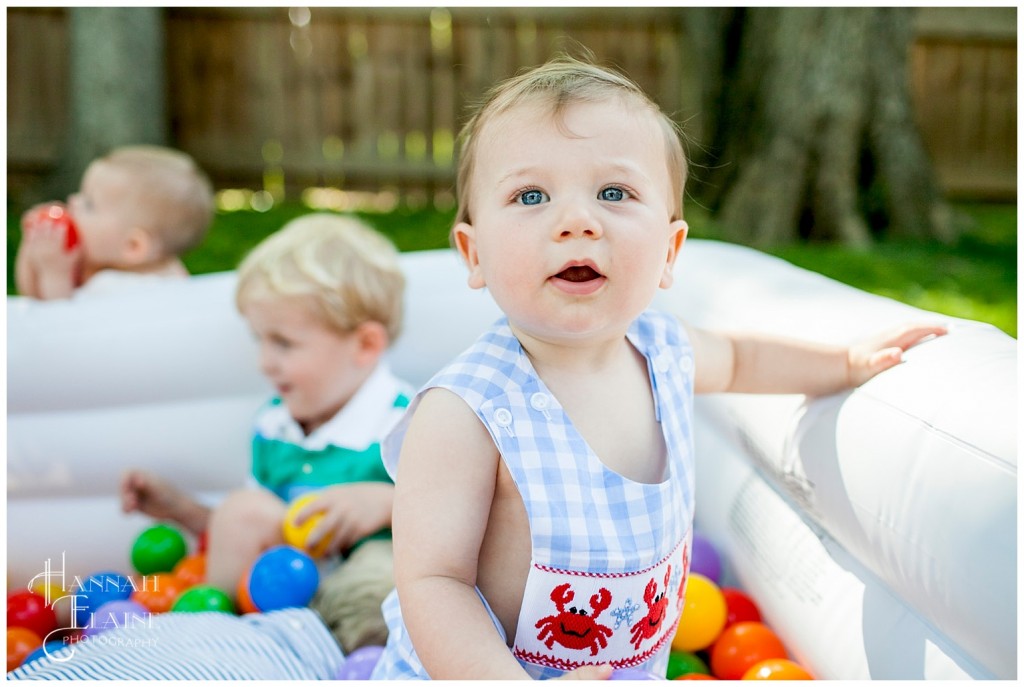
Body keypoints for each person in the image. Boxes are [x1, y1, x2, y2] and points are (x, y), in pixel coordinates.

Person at [372, 56, 947, 680]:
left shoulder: (665, 351)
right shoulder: (467, 411)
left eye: (614, 193)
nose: (577, 221)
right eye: (530, 195)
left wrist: (846, 362)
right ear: (474, 252)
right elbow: (434, 583)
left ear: (670, 252)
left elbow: (746, 359)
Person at [120, 213, 412, 653]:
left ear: (365, 345)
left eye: (283, 343)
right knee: (242, 510)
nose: (263, 362)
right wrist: (180, 510)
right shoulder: (275, 424)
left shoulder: (409, 422)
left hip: (365, 589)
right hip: (278, 597)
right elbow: (251, 525)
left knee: (379, 593)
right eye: (258, 339)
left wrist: (387, 502)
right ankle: (215, 643)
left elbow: (465, 522)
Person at [14, 145, 214, 300]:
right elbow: (31, 291)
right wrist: (33, 246)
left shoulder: (117, 289)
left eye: (89, 204)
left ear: (133, 246)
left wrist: (54, 274)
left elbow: (54, 320)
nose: (73, 201)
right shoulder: (160, 264)